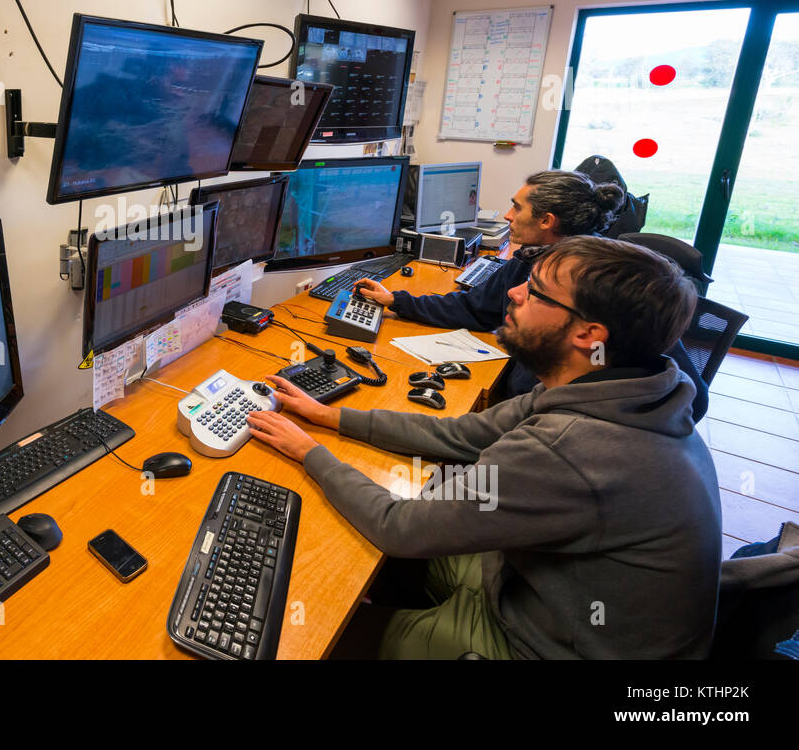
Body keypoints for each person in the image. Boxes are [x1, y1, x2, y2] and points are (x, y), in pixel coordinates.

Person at [246, 237, 722, 659]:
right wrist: (330, 416)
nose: (513, 291)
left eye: (534, 290)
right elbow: (460, 436)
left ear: (588, 334)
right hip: (547, 596)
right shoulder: (613, 387)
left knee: (315, 637)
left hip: (547, 645)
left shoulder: (571, 448)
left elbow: (401, 529)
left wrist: (310, 451)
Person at [353, 169, 710, 422]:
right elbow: (477, 307)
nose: (507, 215)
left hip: (557, 423)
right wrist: (398, 301)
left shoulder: (606, 284)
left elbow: (690, 395)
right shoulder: (533, 258)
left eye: (517, 207)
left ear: (547, 221)